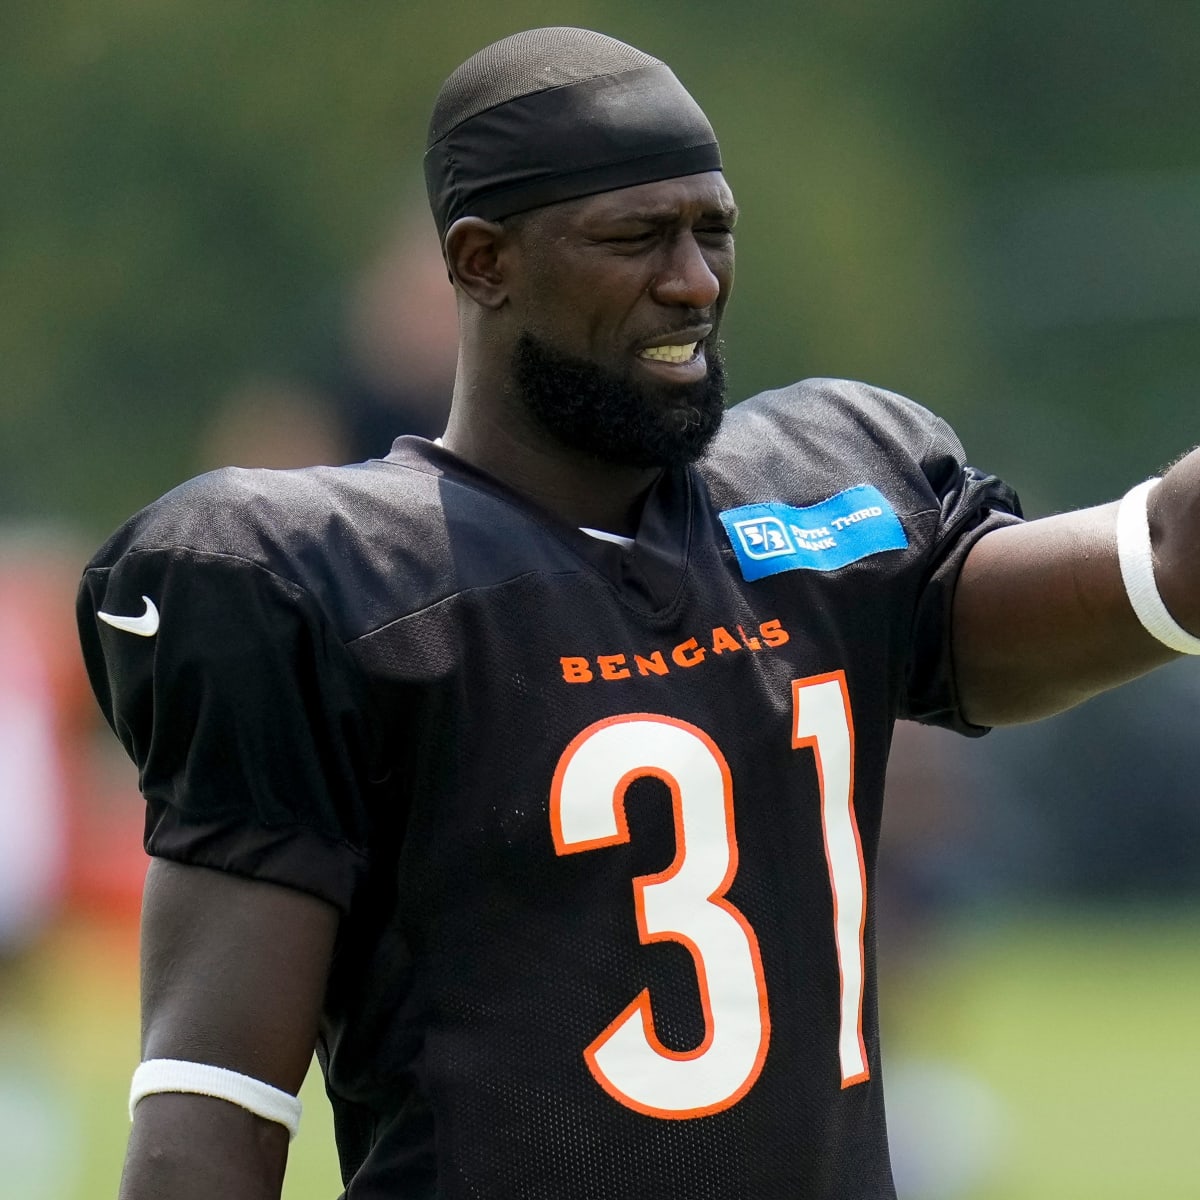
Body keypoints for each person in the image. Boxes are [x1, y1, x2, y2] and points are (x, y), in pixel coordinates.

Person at [76, 27, 1200, 1200]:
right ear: (482, 262)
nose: (694, 280)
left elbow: (1167, 557)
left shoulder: (823, 506)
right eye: (635, 238)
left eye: (712, 230)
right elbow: (213, 1103)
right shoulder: (327, 582)